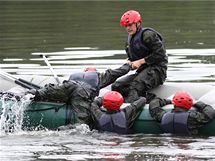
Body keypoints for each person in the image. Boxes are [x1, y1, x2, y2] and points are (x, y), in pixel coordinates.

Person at [30, 63, 131, 129]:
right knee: (83, 125)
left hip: (68, 86)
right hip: (82, 93)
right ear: (95, 72)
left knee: (47, 92)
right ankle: (65, 129)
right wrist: (128, 65)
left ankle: (35, 94)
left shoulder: (76, 75)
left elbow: (67, 90)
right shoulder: (99, 77)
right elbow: (118, 72)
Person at [111, 10, 168, 103]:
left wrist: (140, 62)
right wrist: (130, 61)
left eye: (130, 25)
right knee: (116, 86)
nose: (128, 28)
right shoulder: (129, 40)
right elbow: (134, 59)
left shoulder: (148, 35)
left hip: (157, 71)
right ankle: (147, 98)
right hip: (142, 72)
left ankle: (141, 100)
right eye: (126, 26)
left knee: (135, 87)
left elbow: (160, 54)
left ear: (138, 23)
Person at [149, 91, 215, 135]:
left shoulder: (163, 117)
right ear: (189, 105)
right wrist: (196, 103)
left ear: (174, 104)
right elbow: (210, 112)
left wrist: (169, 101)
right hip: (189, 144)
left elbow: (154, 104)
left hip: (170, 144)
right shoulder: (192, 118)